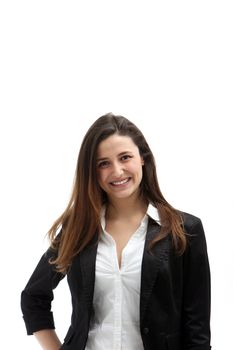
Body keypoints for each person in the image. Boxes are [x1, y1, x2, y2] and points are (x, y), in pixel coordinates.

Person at [21, 112, 211, 350]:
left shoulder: (184, 230)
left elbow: (197, 332)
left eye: (125, 157)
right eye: (103, 163)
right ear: (92, 171)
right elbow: (33, 297)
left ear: (142, 158)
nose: (117, 171)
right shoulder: (78, 228)